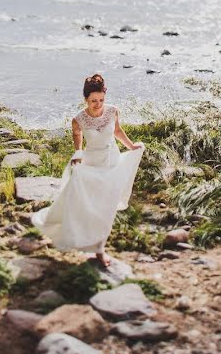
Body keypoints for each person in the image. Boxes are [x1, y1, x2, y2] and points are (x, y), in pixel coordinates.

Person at [31, 73, 145, 267]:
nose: (98, 104)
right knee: (86, 207)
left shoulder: (113, 111)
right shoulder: (78, 120)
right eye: (93, 100)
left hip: (112, 164)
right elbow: (78, 143)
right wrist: (77, 154)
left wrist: (132, 146)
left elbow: (117, 131)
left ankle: (99, 250)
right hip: (91, 166)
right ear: (85, 99)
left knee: (106, 209)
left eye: (101, 99)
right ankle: (74, 236)